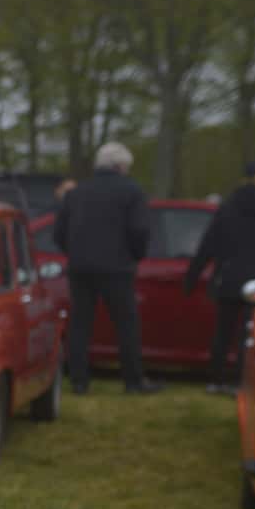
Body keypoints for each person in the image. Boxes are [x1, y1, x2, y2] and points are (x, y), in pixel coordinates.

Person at [54, 141, 160, 394]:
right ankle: (133, 380)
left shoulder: (76, 193)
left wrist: (74, 253)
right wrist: (136, 256)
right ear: (121, 166)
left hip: (81, 268)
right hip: (117, 267)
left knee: (80, 324)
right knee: (126, 325)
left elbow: (59, 232)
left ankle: (79, 381)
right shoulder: (131, 191)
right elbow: (140, 230)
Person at [183, 161, 255, 393]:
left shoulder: (230, 205)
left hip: (229, 276)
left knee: (223, 332)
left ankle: (216, 380)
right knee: (251, 334)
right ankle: (243, 382)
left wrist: (191, 277)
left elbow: (209, 243)